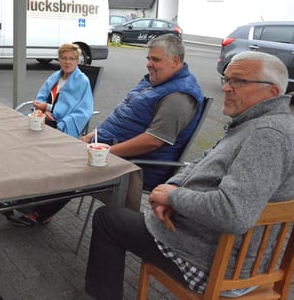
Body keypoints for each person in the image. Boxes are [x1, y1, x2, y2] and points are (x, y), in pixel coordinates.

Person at [85, 51, 294, 300]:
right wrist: (172, 189)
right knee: (118, 217)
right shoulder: (255, 122)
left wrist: (174, 198)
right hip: (206, 241)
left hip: (214, 264)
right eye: (226, 79)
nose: (226, 88)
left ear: (271, 92)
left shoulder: (267, 135)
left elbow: (233, 213)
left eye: (238, 81)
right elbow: (202, 160)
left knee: (109, 220)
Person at [81, 34, 204, 191]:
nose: (149, 64)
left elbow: (153, 140)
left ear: (175, 61)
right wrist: (89, 137)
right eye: (148, 59)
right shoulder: (156, 82)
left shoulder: (179, 97)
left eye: (156, 60)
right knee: (60, 155)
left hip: (137, 167)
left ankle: (41, 213)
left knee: (67, 168)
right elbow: (121, 117)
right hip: (109, 152)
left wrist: (103, 153)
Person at [4, 43, 94, 226]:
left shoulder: (82, 81)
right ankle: (17, 191)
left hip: (64, 123)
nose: (67, 62)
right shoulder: (55, 76)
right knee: (18, 133)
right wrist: (43, 110)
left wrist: (49, 109)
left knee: (32, 143)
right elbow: (41, 99)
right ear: (59, 60)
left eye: (71, 59)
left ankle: (30, 204)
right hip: (47, 118)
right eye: (64, 58)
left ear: (77, 61)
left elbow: (79, 110)